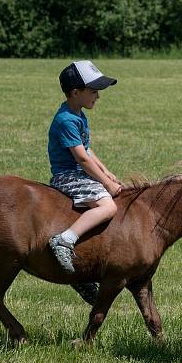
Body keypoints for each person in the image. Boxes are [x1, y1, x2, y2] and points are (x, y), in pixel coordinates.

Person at [47, 61, 123, 302]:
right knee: (108, 205)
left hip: (79, 172)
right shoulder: (66, 120)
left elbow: (88, 151)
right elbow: (81, 158)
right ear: (76, 92)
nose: (98, 96)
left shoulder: (77, 115)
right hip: (67, 176)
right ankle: (65, 239)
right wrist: (107, 184)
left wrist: (107, 172)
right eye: (93, 91)